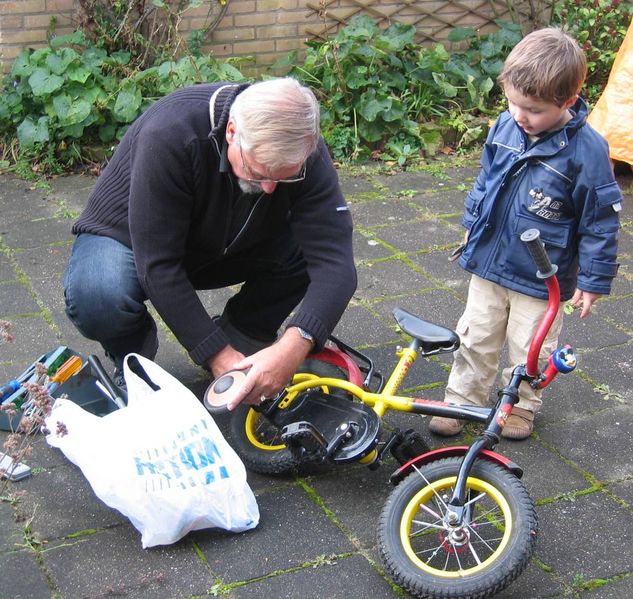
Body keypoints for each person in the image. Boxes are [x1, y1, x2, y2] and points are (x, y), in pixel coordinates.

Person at [63, 78, 357, 407]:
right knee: (98, 295)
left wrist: (296, 343)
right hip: (132, 240)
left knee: (311, 248)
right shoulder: (171, 134)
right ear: (232, 132)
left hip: (231, 242)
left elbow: (336, 264)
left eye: (285, 176)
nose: (271, 188)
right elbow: (158, 266)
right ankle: (133, 357)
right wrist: (214, 353)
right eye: (258, 172)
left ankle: (243, 337)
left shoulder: (304, 151)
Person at [428, 28, 622, 440]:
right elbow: (486, 182)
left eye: (532, 109)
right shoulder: (505, 127)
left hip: (542, 275)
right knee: (475, 335)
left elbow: (600, 221)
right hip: (490, 261)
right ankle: (463, 400)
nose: (519, 115)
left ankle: (518, 405)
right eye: (513, 102)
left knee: (530, 347)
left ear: (568, 102)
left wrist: (594, 280)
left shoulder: (588, 151)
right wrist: (471, 227)